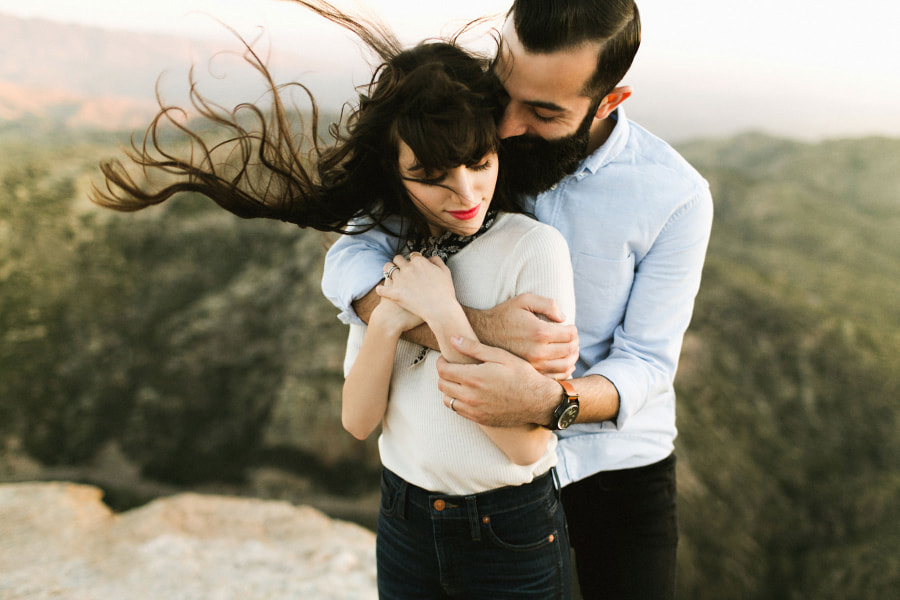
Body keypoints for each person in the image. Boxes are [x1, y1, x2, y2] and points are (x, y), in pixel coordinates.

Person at [91, 2, 576, 597]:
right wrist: (391, 317)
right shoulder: (388, 255)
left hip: (507, 529)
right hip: (403, 514)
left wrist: (444, 313)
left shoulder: (535, 250)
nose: (466, 192)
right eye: (431, 175)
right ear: (395, 173)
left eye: (480, 163)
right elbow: (357, 420)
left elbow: (525, 445)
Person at [321, 0, 714, 598]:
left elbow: (647, 364)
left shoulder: (675, 197)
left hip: (615, 466)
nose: (506, 126)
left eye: (543, 111)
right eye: (505, 95)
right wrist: (474, 328)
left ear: (609, 102)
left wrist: (549, 400)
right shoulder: (465, 148)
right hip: (482, 480)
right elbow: (352, 260)